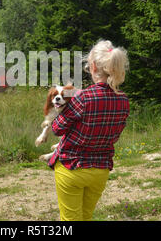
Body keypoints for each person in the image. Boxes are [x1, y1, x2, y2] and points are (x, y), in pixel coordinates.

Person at [48, 39, 130, 221]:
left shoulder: (83, 98)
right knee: (86, 217)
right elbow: (115, 133)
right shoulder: (124, 100)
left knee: (70, 220)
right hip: (101, 169)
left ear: (92, 67)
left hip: (72, 167)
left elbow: (56, 128)